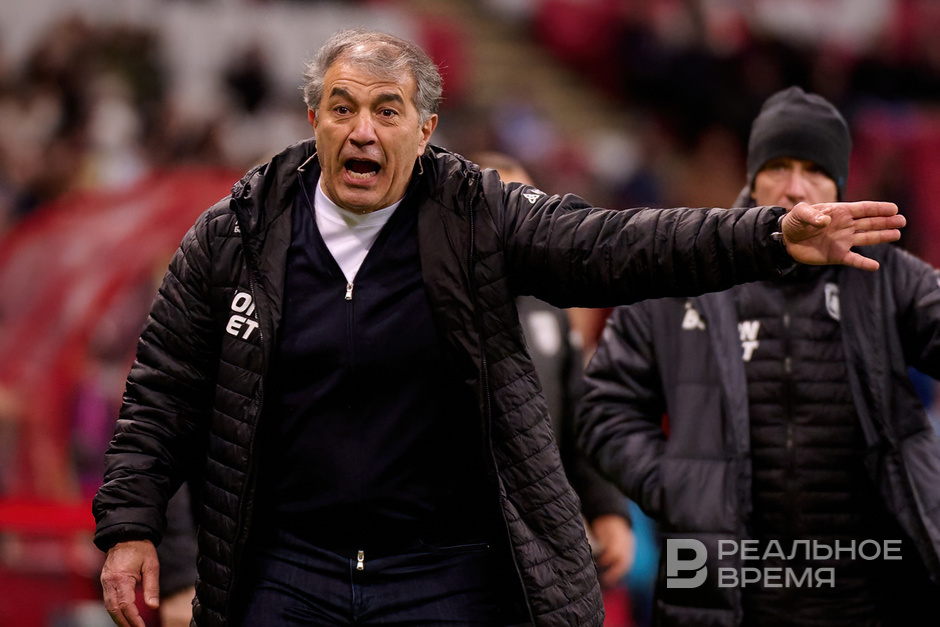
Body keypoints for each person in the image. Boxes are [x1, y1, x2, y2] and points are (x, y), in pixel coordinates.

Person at [91, 29, 903, 627]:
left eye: (386, 110)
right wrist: (130, 525)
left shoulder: (478, 214)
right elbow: (163, 387)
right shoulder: (235, 232)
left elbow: (616, 246)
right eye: (342, 109)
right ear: (314, 119)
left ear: (425, 130)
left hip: (444, 572)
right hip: (286, 567)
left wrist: (766, 234)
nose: (362, 130)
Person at [576, 86, 940, 626]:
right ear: (752, 177)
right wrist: (677, 484)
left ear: (839, 185)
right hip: (721, 589)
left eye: (814, 170)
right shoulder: (685, 274)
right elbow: (601, 406)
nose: (795, 187)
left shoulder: (888, 278)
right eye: (779, 166)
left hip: (869, 590)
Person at [471, 151, 635, 592]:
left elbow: (578, 418)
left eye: (523, 203)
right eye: (497, 204)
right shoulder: (430, 300)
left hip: (537, 533)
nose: (511, 219)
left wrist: (608, 509)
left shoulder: (551, 308)